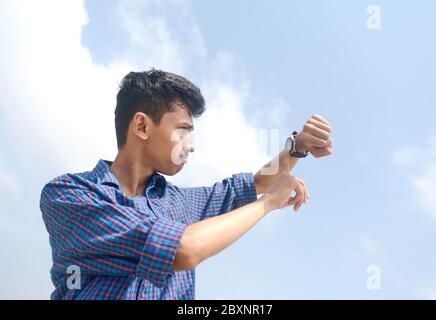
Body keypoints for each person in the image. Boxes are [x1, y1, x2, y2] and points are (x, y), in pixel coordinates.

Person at [40, 68, 333, 300]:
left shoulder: (180, 202)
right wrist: (268, 203)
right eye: (182, 130)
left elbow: (256, 181)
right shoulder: (70, 195)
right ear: (142, 126)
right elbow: (183, 250)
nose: (190, 146)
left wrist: (297, 147)